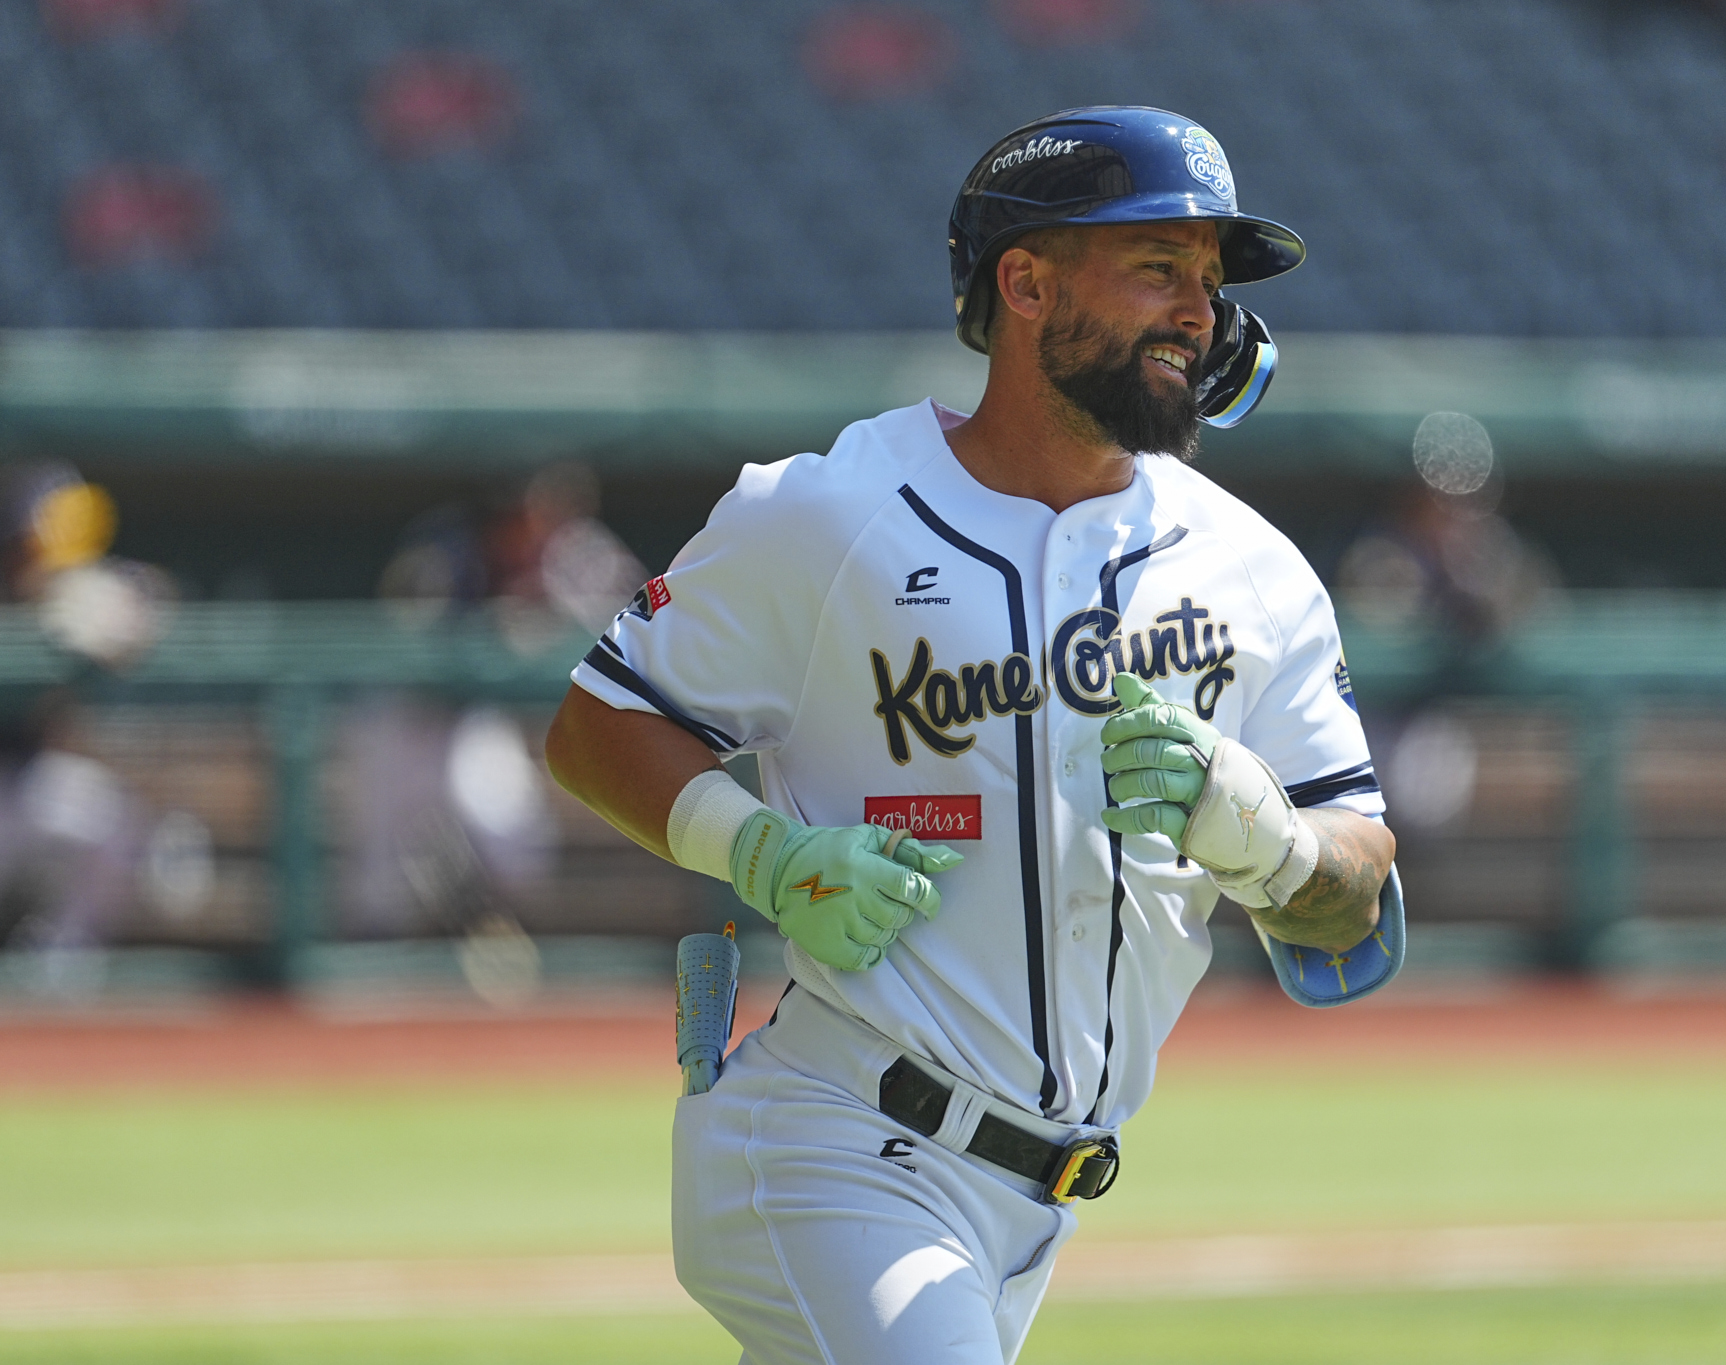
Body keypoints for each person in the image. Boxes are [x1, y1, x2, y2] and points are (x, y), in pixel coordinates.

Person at [546, 107, 1399, 1365]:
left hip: (1034, 1204)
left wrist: (1266, 842)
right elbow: (596, 724)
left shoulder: (1251, 569)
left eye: (1210, 281)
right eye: (1158, 266)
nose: (1199, 311)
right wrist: (761, 855)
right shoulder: (825, 513)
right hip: (836, 1140)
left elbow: (1353, 900)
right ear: (1025, 283)